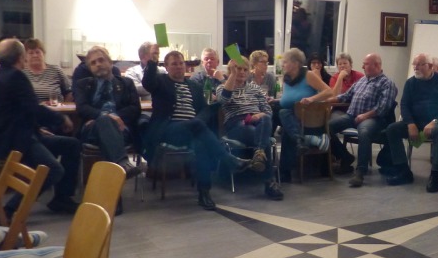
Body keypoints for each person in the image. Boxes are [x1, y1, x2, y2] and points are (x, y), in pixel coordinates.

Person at [142, 50, 249, 210]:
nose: (179, 67)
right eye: (174, 64)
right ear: (167, 67)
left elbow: (204, 109)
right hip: (168, 130)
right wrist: (152, 63)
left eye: (181, 63)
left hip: (192, 129)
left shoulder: (195, 86)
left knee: (201, 145)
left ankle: (204, 193)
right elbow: (147, 82)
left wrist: (198, 120)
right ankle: (228, 159)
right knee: (197, 127)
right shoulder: (160, 82)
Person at [0, 39, 81, 214]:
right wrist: (61, 119)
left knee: (71, 145)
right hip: (16, 140)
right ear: (21, 57)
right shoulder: (16, 76)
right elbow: (33, 109)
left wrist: (36, 128)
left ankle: (62, 198)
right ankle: (10, 210)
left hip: (6, 137)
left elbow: (18, 111)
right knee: (53, 170)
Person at [305, 53, 398, 188]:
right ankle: (346, 157)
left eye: (365, 64)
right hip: (352, 116)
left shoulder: (387, 83)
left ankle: (360, 172)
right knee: (325, 126)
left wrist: (365, 116)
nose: (362, 67)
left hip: (373, 118)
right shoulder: (362, 80)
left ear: (377, 65)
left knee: (364, 132)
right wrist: (323, 101)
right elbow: (344, 96)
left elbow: (383, 108)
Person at [383, 53, 438, 192]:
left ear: (430, 66)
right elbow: (404, 105)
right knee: (392, 129)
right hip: (416, 122)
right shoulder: (410, 83)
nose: (415, 68)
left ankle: (435, 174)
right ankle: (403, 170)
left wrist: (434, 122)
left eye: (420, 65)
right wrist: (410, 123)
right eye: (414, 65)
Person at [218, 57, 283, 201]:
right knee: (262, 138)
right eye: (238, 69)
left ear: (248, 72)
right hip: (237, 123)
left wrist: (259, 115)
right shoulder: (223, 87)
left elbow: (268, 110)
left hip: (258, 121)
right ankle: (269, 182)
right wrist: (232, 76)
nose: (241, 72)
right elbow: (223, 101)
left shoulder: (254, 88)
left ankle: (259, 153)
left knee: (266, 119)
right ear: (230, 70)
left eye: (245, 69)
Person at [73, 46, 142, 178]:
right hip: (92, 129)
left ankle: (108, 185)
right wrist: (103, 116)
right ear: (90, 68)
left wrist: (114, 117)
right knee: (104, 120)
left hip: (121, 128)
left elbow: (135, 108)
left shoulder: (126, 83)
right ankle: (122, 164)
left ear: (110, 63)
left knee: (107, 125)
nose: (98, 64)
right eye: (93, 63)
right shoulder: (83, 85)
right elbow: (82, 107)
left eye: (101, 60)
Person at [276, 48, 331, 180]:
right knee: (269, 114)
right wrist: (276, 100)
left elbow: (329, 91)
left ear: (295, 63)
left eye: (285, 62)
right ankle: (297, 142)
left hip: (307, 117)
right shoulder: (287, 78)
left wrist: (311, 99)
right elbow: (288, 99)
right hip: (291, 115)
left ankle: (284, 172)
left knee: (285, 122)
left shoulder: (308, 75)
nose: (282, 65)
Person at [23, 38, 71, 104]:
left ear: (44, 53)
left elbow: (69, 92)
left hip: (55, 109)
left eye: (38, 52)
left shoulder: (56, 70)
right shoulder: (21, 73)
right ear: (25, 56)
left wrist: (65, 105)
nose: (35, 55)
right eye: (31, 53)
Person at [189, 47, 225, 133]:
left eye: (212, 59)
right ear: (202, 63)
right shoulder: (196, 78)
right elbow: (199, 96)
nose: (209, 61)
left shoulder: (223, 78)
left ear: (217, 62)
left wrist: (222, 79)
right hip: (202, 109)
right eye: (206, 59)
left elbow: (229, 94)